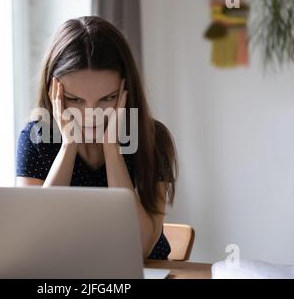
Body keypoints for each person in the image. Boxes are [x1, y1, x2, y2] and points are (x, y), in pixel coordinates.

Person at [16, 16, 178, 260]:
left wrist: (111, 149)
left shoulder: (152, 140)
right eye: (75, 100)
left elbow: (140, 246)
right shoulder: (36, 139)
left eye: (107, 98)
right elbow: (32, 239)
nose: (91, 115)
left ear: (126, 90)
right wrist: (69, 146)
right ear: (54, 94)